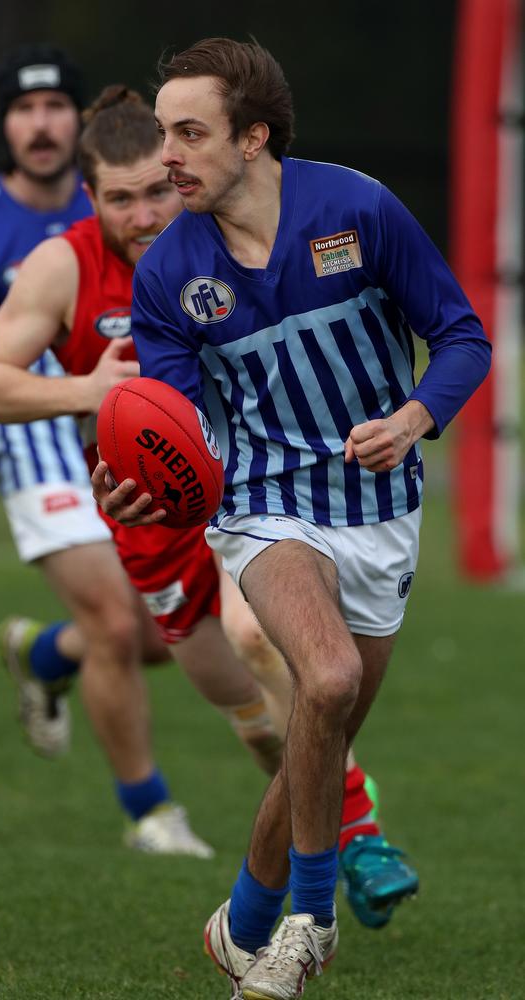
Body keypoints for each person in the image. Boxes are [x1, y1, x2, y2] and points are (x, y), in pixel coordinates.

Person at [0, 79, 422, 933]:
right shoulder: (64, 265)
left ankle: (354, 847)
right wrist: (85, 391)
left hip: (252, 492)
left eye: (155, 191)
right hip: (150, 513)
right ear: (89, 195)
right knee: (252, 719)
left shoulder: (213, 241)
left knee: (265, 642)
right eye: (120, 199)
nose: (144, 216)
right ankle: (333, 824)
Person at [90, 37, 492, 999]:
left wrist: (413, 416)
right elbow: (176, 426)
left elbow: (461, 337)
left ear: (255, 137)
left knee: (325, 730)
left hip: (381, 509)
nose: (168, 156)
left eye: (190, 134)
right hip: (263, 505)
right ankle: (311, 921)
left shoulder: (356, 208)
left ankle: (245, 919)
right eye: (163, 133)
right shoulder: (167, 274)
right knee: (331, 676)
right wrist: (136, 477)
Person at [0, 45, 218, 858]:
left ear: (84, 123)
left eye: (55, 108)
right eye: (24, 110)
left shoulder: (135, 206)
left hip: (133, 442)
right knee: (111, 621)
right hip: (35, 444)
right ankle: (150, 811)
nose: (41, 125)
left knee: (159, 633)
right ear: (3, 125)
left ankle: (41, 654)